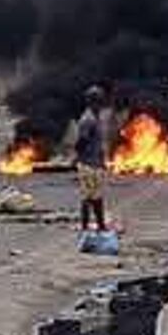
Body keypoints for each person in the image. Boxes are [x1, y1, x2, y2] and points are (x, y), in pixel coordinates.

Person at [73, 86, 112, 232]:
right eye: (98, 100)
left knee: (96, 196)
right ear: (91, 102)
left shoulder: (96, 118)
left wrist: (102, 161)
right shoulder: (88, 119)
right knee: (89, 197)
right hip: (88, 164)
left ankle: (100, 226)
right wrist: (79, 157)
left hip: (95, 163)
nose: (101, 104)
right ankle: (87, 227)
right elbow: (81, 141)